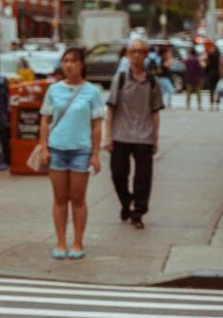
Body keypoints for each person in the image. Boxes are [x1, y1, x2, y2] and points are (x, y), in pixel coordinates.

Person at [39, 48, 104, 260]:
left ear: (82, 64)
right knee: (59, 197)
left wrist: (95, 154)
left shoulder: (92, 92)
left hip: (80, 150)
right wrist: (44, 148)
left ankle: (78, 241)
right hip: (57, 148)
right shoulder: (54, 90)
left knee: (78, 198)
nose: (69, 65)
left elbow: (96, 125)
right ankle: (60, 241)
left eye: (74, 61)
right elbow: (45, 120)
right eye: (65, 61)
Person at [105, 39, 165, 230]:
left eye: (141, 52)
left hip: (144, 136)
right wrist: (108, 136)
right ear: (128, 55)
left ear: (146, 55)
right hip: (121, 134)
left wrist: (155, 139)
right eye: (133, 52)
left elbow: (155, 111)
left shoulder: (152, 81)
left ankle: (138, 212)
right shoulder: (120, 79)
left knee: (143, 177)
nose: (137, 55)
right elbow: (111, 108)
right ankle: (126, 202)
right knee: (118, 175)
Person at [202, 40, 223, 111]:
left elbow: (207, 64)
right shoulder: (218, 53)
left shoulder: (209, 54)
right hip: (217, 73)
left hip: (211, 73)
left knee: (211, 89)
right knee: (218, 89)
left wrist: (205, 72)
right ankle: (217, 104)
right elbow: (220, 64)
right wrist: (221, 74)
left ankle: (211, 105)